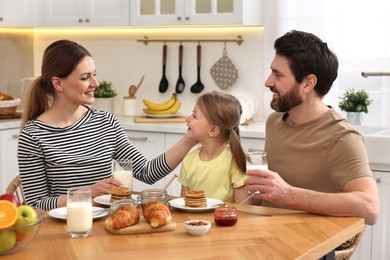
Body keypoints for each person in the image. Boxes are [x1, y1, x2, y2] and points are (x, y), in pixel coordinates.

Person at [18, 39, 197, 211]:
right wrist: (87, 194)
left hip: (105, 225)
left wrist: (189, 139)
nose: (95, 83)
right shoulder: (33, 135)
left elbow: (146, 172)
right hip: (61, 232)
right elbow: (36, 205)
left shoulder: (105, 122)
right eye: (84, 78)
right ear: (58, 83)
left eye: (94, 75)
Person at [244, 30, 380, 225]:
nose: (268, 82)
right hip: (267, 234)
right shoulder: (274, 122)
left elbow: (370, 208)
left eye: (278, 75)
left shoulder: (342, 137)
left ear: (308, 83)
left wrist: (288, 194)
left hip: (312, 244)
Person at [178, 91, 248, 203]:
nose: (188, 118)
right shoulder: (188, 160)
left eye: (194, 116)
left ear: (213, 130)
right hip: (195, 221)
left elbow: (243, 210)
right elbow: (183, 205)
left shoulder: (234, 161)